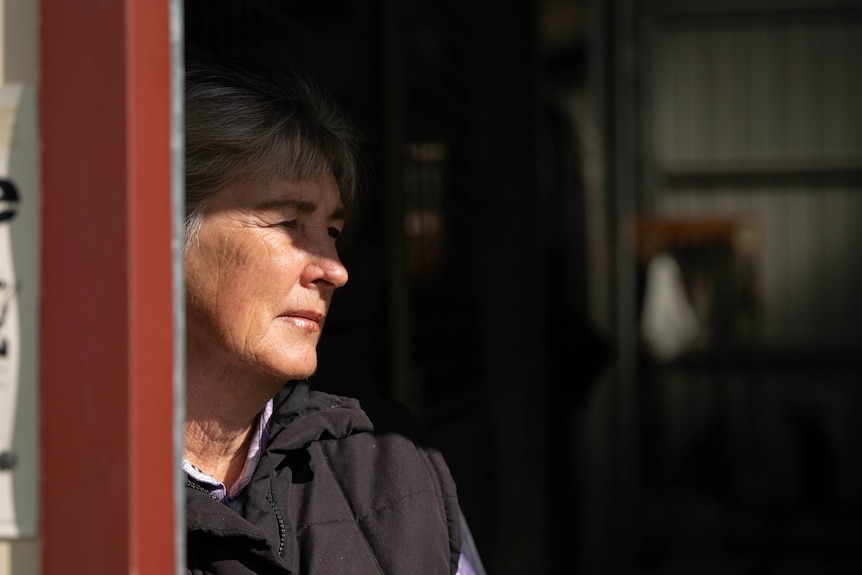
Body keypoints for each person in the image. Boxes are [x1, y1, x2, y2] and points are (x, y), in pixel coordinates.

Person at [182, 61, 485, 575]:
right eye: (288, 222)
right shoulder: (64, 488)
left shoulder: (394, 461)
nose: (335, 271)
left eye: (333, 231)